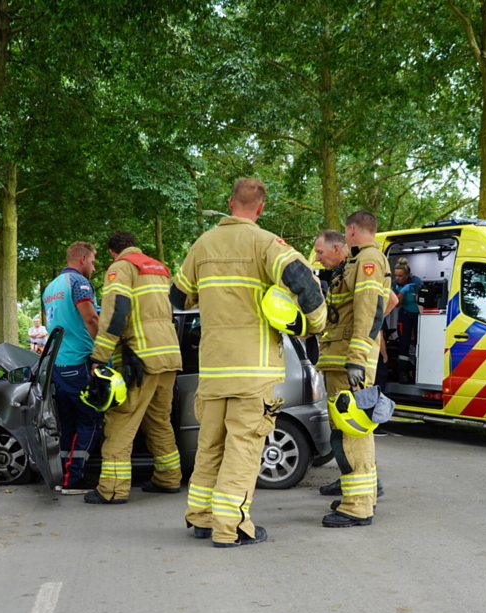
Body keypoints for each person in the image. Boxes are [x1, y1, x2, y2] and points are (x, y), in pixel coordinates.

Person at [171, 177, 326, 547]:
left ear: (229, 202)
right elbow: (304, 282)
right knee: (243, 449)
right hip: (252, 370)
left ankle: (201, 517)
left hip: (212, 371)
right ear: (260, 208)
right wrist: (313, 325)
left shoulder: (202, 244)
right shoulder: (265, 243)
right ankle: (231, 528)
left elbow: (177, 296)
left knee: (210, 446)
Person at [84, 231, 183, 505]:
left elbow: (116, 313)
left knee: (120, 423)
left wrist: (99, 356)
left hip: (141, 358)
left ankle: (112, 490)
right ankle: (168, 478)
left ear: (112, 252)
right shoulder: (159, 269)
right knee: (159, 421)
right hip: (169, 356)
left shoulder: (121, 269)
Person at [315, 210, 391, 528]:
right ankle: (360, 496)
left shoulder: (368, 260)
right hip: (341, 358)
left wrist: (358, 357)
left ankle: (357, 506)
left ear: (351, 231)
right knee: (350, 432)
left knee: (352, 433)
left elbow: (369, 309)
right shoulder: (357, 260)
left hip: (349, 361)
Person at [41, 241, 101, 494]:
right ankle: (74, 479)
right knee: (90, 421)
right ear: (82, 259)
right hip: (78, 362)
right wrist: (103, 351)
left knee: (68, 423)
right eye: (94, 262)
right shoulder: (78, 283)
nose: (95, 268)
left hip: (58, 363)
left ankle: (65, 475)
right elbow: (90, 318)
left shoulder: (50, 288)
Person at [392, 258, 424, 383]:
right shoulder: (395, 284)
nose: (398, 278)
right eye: (396, 275)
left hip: (417, 315)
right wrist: (402, 292)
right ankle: (403, 372)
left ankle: (418, 371)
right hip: (404, 314)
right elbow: (397, 304)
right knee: (403, 344)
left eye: (401, 276)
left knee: (418, 342)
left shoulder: (416, 282)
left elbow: (422, 302)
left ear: (407, 275)